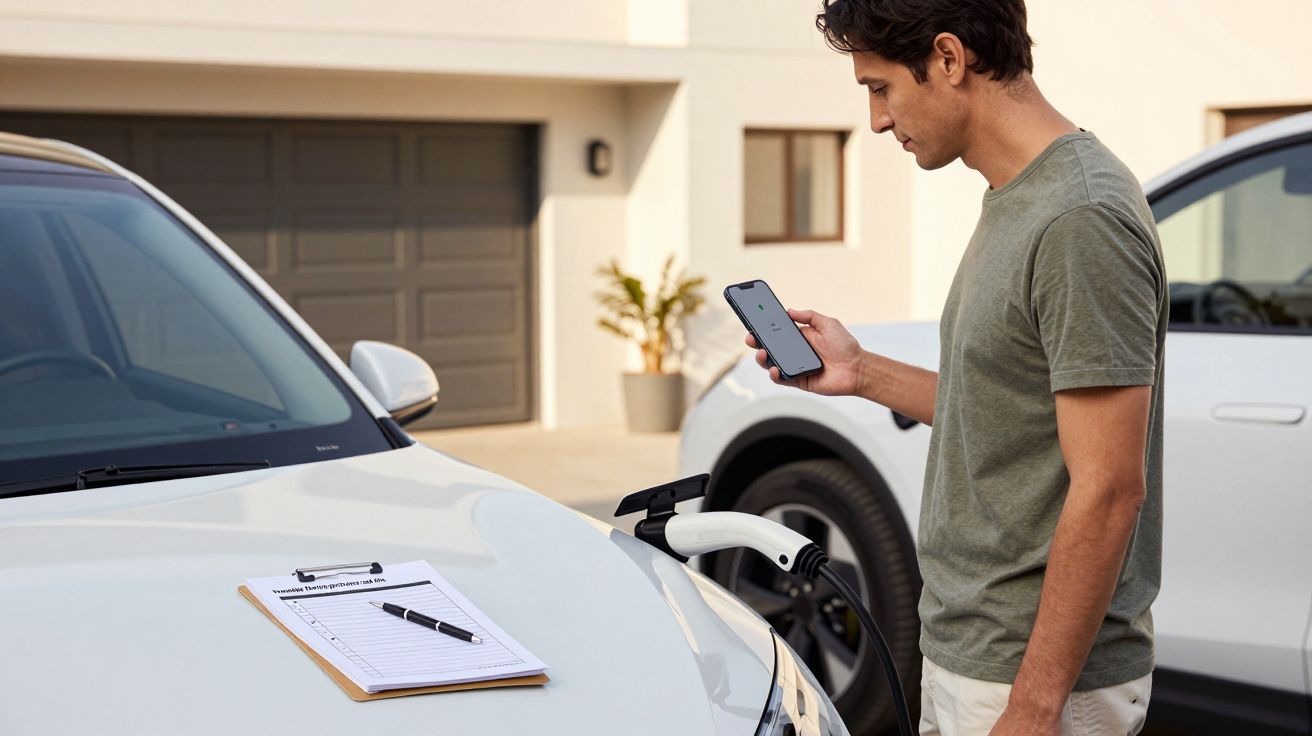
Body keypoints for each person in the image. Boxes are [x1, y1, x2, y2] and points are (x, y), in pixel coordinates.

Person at [745, 2, 1167, 734]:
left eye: (880, 88)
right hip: (976, 655)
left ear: (948, 58)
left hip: (1030, 682)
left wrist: (1034, 708)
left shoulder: (1078, 219)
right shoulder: (1017, 197)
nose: (877, 120)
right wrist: (862, 371)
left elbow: (1109, 490)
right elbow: (1012, 411)